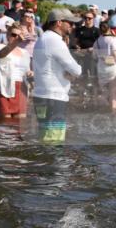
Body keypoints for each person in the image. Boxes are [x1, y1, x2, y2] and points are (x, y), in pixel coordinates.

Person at [31, 9, 82, 143]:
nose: (73, 26)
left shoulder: (43, 38)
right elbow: (76, 70)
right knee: (54, 141)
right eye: (70, 22)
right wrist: (71, 72)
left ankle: (43, 163)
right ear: (59, 23)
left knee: (45, 138)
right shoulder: (55, 41)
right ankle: (52, 164)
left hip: (41, 96)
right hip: (53, 98)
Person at [0, 26, 31, 119]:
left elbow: (27, 70)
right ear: (8, 35)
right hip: (3, 86)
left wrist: (30, 73)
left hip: (21, 87)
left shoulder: (25, 52)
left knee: (20, 121)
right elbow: (1, 55)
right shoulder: (0, 47)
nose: (16, 37)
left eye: (19, 35)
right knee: (5, 122)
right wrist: (16, 42)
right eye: (13, 35)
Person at [94, 21, 116, 112]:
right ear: (109, 28)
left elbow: (94, 55)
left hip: (101, 67)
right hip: (112, 67)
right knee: (114, 91)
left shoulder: (98, 40)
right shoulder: (113, 40)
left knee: (104, 91)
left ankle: (102, 110)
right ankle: (113, 111)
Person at [72, 11, 100, 98]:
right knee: (82, 76)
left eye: (90, 18)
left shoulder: (97, 31)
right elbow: (75, 42)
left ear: (93, 19)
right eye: (86, 18)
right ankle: (81, 96)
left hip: (92, 57)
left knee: (93, 76)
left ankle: (94, 97)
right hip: (82, 56)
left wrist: (93, 48)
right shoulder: (79, 30)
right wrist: (77, 46)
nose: (87, 20)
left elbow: (100, 44)